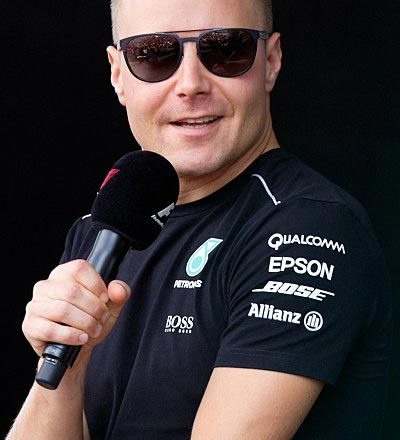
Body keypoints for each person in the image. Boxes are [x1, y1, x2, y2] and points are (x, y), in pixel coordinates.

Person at [6, 0, 393, 438]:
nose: (190, 84)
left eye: (226, 49)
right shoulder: (100, 232)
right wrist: (67, 366)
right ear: (118, 75)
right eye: (154, 55)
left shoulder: (310, 227)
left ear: (270, 61)